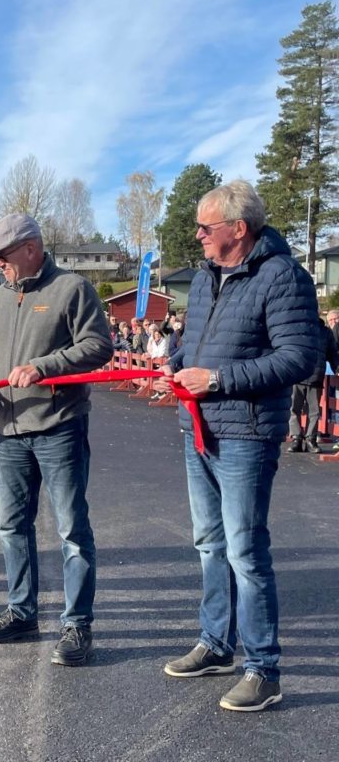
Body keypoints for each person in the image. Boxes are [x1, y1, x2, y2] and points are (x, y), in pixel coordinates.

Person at [154, 180, 318, 712]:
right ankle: (217, 643)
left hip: (245, 432)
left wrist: (218, 380)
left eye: (206, 227)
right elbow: (196, 347)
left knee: (246, 551)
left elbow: (299, 358)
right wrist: (173, 370)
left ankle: (263, 669)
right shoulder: (204, 279)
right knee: (209, 542)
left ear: (238, 229)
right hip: (195, 425)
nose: (197, 235)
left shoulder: (282, 277)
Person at [0, 213, 112, 666]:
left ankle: (77, 625)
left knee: (71, 530)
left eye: (2, 257)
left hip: (59, 426)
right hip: (8, 431)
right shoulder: (0, 299)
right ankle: (22, 612)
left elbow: (98, 346)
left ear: (30, 248)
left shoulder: (72, 289)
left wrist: (46, 366)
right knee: (12, 526)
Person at [287, 316, 339, 453]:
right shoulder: (297, 328)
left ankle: (311, 439)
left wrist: (337, 368)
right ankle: (296, 438)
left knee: (314, 411)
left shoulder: (325, 332)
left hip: (316, 375)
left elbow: (333, 353)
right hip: (297, 373)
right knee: (294, 408)